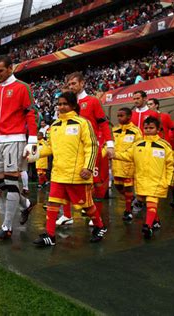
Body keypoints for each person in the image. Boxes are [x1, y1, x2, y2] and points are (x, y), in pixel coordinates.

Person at [28, 92, 105, 246]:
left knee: (87, 205)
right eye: (60, 104)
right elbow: (50, 147)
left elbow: (92, 147)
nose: (61, 107)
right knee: (52, 204)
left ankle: (100, 226)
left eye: (65, 104)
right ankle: (50, 236)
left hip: (78, 175)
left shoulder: (83, 123)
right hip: (58, 174)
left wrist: (88, 168)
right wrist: (33, 154)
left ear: (74, 106)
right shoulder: (54, 126)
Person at [0, 55, 36, 240]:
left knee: (11, 184)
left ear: (11, 68)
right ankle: (26, 204)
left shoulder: (22, 87)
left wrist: (32, 140)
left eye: (0, 70)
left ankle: (7, 227)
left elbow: (30, 113)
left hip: (15, 140)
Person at [114, 117, 174, 239]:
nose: (148, 130)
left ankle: (148, 226)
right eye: (146, 128)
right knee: (146, 201)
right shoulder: (137, 144)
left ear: (158, 129)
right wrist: (113, 154)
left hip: (158, 180)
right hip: (141, 180)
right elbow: (127, 155)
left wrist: (169, 181)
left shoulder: (164, 145)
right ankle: (156, 221)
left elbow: (171, 164)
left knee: (152, 200)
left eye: (151, 128)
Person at [66, 72, 114, 227]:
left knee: (95, 184)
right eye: (69, 84)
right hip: (73, 150)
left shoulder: (92, 101)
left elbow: (103, 123)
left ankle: (96, 216)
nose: (71, 87)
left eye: (74, 83)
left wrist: (110, 144)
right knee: (72, 181)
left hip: (91, 149)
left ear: (82, 83)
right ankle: (71, 214)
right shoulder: (67, 104)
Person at [111, 107, 142, 221]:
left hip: (128, 164)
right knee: (118, 186)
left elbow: (137, 147)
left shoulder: (135, 131)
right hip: (116, 164)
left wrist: (122, 155)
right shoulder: (114, 130)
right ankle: (132, 199)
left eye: (121, 115)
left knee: (128, 187)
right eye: (118, 116)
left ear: (129, 116)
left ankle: (128, 211)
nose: (119, 118)